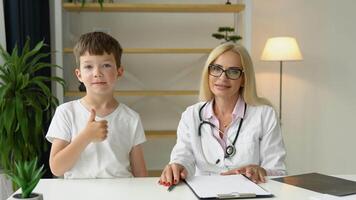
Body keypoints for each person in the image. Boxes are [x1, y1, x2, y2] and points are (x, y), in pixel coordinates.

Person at [159, 43, 286, 187]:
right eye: (216, 69)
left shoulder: (265, 115)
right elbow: (183, 158)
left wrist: (260, 171)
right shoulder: (191, 115)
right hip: (204, 194)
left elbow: (278, 171)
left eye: (233, 71)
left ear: (244, 79)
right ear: (208, 73)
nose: (222, 77)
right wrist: (177, 167)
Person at [46, 32, 147, 178]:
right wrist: (86, 136)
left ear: (119, 71)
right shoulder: (66, 112)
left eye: (106, 65)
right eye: (88, 66)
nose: (97, 73)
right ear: (79, 74)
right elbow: (56, 168)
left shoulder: (131, 118)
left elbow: (140, 174)